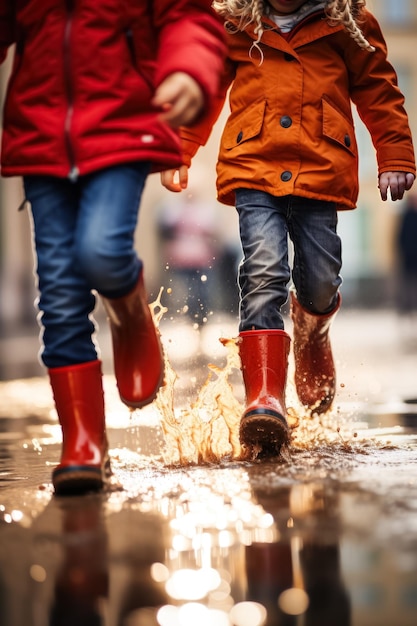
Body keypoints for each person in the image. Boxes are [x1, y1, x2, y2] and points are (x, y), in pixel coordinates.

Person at [162, 0, 416, 458]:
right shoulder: (236, 23)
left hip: (321, 169)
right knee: (263, 270)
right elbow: (205, 90)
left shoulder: (349, 23)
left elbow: (379, 89)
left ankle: (312, 331)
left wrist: (394, 154)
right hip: (253, 167)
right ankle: (265, 398)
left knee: (320, 280)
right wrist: (180, 149)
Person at [0, 1, 226, 494]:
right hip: (42, 136)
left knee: (101, 251)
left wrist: (188, 70)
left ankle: (129, 315)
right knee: (59, 294)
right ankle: (84, 445)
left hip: (121, 127)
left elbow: (189, 15)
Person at [396, 194, 417, 316]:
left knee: (409, 284)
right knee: (408, 284)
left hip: (409, 257)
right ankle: (408, 307)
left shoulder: (406, 217)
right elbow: (401, 238)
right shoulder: (407, 217)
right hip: (409, 257)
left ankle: (410, 307)